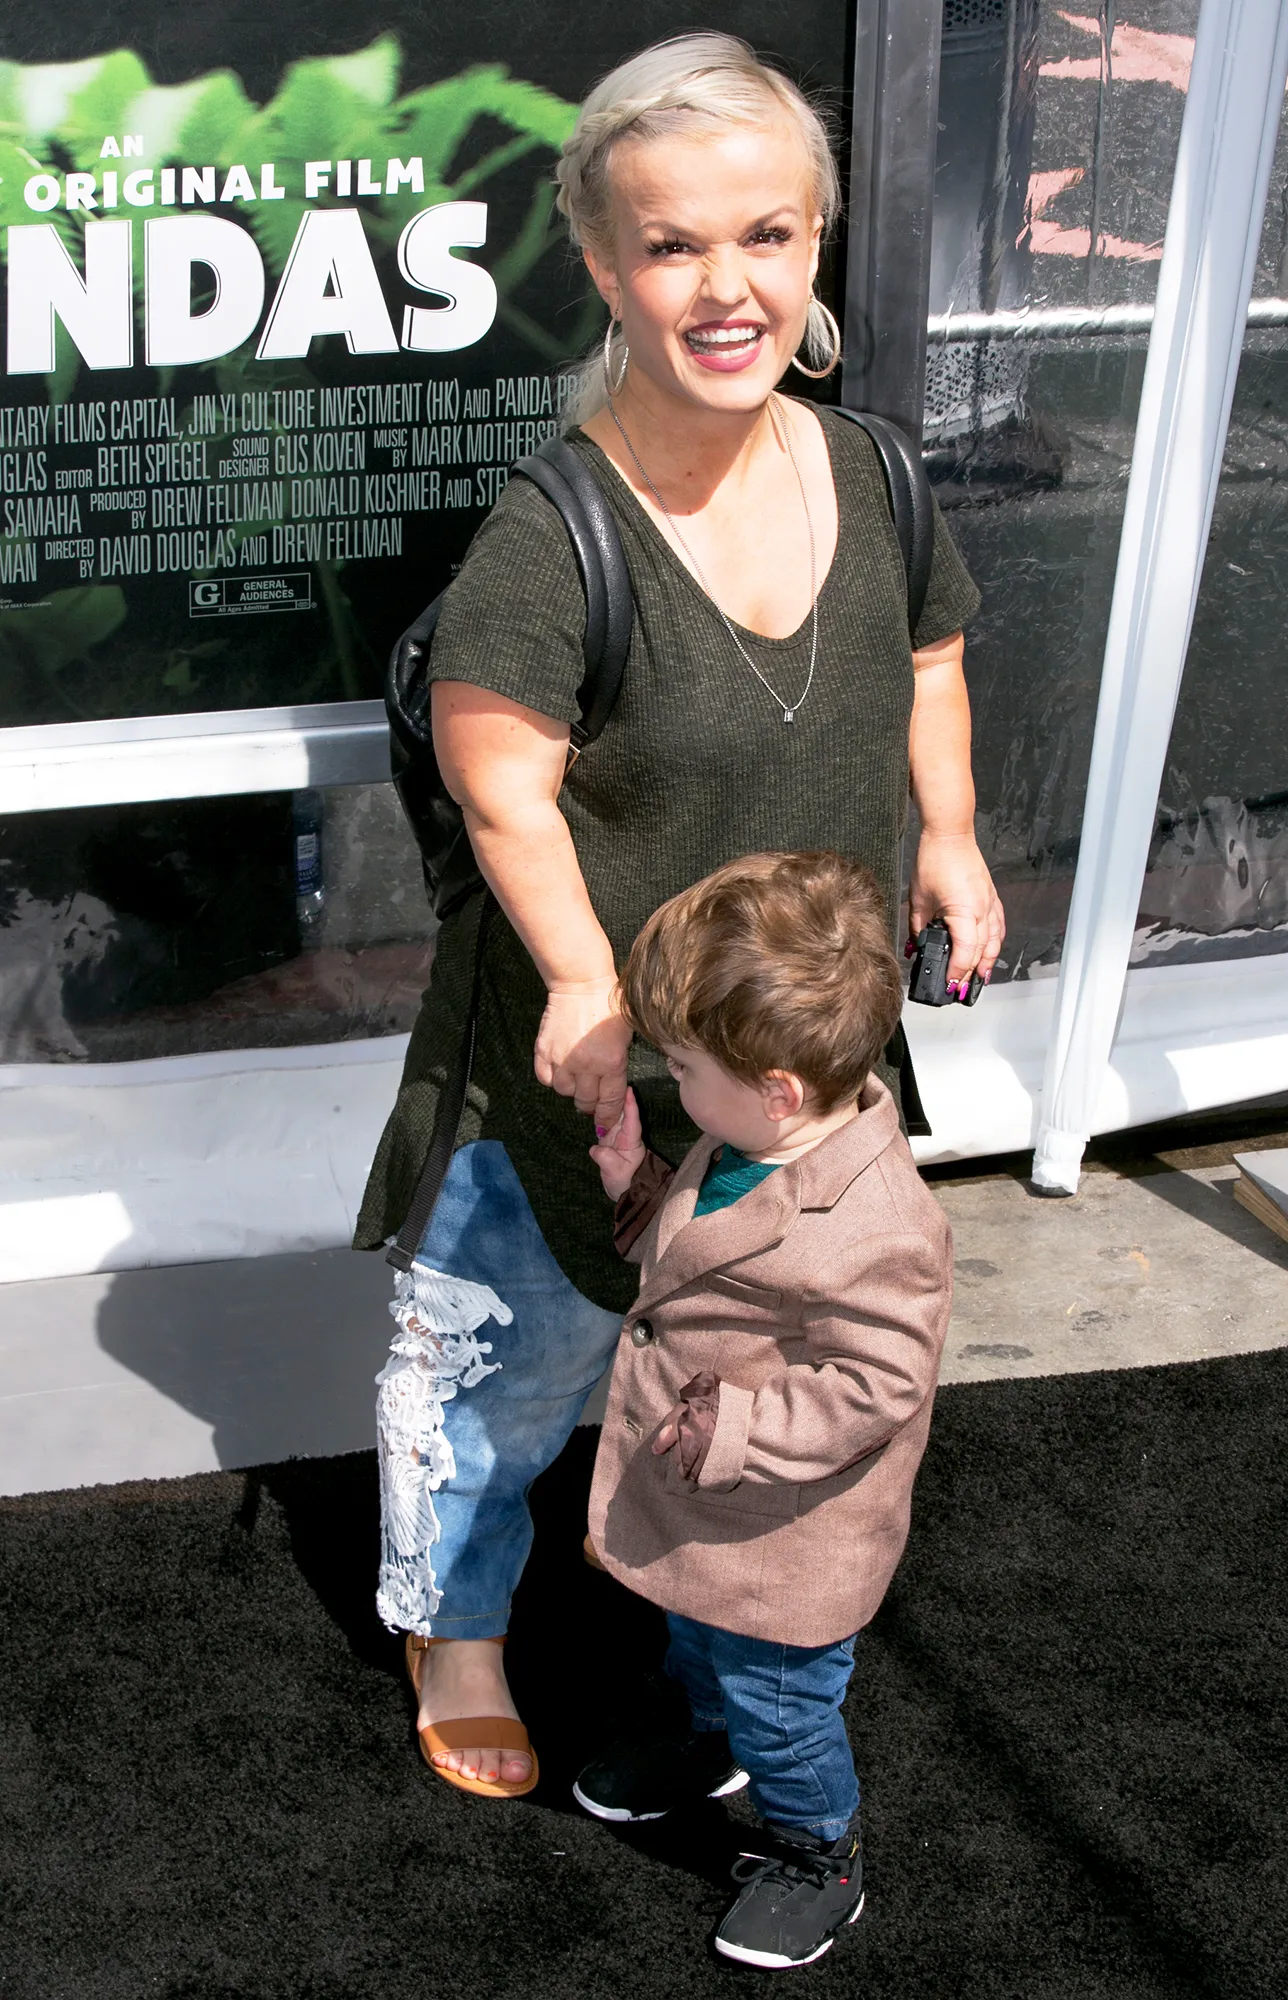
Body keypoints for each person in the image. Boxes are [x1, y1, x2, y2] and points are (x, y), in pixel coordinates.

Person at [354, 30, 1004, 1798]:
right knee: (507, 1359)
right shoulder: (551, 537)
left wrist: (946, 832)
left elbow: (930, 655)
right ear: (602, 260)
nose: (728, 288)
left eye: (767, 237)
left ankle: (707, 1600)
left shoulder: (875, 473)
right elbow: (504, 791)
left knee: (753, 1349)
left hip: (791, 1060)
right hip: (592, 1061)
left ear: (815, 241)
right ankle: (458, 1629)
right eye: (674, 246)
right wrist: (578, 985)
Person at [574, 850, 952, 1969]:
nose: (671, 1083)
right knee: (694, 1633)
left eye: (682, 1067)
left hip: (788, 1530)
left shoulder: (880, 1224)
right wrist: (640, 1190)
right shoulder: (746, 1141)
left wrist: (737, 1430)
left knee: (780, 1697)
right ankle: (703, 1739)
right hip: (706, 1498)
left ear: (776, 1085)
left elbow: (878, 1384)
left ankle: (813, 1851)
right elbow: (709, 1269)